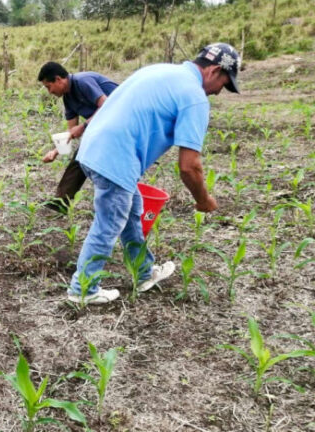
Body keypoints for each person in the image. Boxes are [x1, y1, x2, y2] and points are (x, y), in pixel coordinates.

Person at [68, 43, 240, 304]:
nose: (218, 93)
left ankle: (144, 272)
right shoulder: (194, 96)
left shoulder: (161, 71)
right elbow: (189, 166)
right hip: (115, 156)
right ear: (214, 70)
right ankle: (83, 290)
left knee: (131, 213)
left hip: (94, 148)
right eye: (224, 84)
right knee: (108, 223)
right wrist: (204, 200)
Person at [37, 62, 118, 213]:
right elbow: (70, 133)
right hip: (105, 126)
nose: (49, 92)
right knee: (81, 156)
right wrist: (55, 151)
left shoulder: (82, 81)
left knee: (104, 162)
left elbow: (107, 106)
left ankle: (116, 203)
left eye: (49, 86)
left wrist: (83, 126)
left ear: (58, 79)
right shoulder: (68, 98)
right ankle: (61, 201)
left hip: (123, 119)